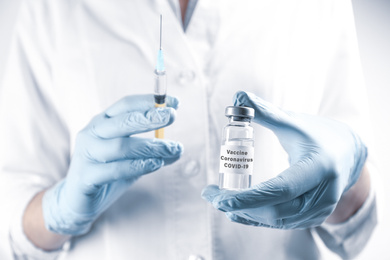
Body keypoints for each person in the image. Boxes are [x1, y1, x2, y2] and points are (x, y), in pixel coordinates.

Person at [0, 0, 377, 259]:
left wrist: (347, 174)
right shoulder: (53, 8)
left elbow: (362, 233)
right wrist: (58, 212)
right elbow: (13, 211)